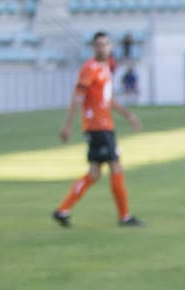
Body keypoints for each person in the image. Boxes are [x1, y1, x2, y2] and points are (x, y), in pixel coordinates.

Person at [53, 31, 144, 228]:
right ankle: (125, 216)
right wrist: (68, 125)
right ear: (93, 48)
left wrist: (128, 115)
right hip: (98, 126)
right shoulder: (90, 69)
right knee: (115, 166)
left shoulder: (106, 67)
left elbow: (108, 99)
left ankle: (63, 209)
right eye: (99, 45)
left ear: (110, 47)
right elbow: (78, 97)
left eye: (106, 44)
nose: (103, 48)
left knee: (94, 173)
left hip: (105, 125)